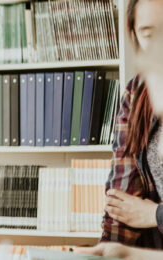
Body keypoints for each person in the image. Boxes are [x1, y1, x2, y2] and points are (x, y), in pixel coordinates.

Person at [100, 0, 163, 248]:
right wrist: (105, 251)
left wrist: (153, 214)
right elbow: (122, 200)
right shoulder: (137, 93)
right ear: (134, 36)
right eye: (149, 34)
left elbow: (143, 213)